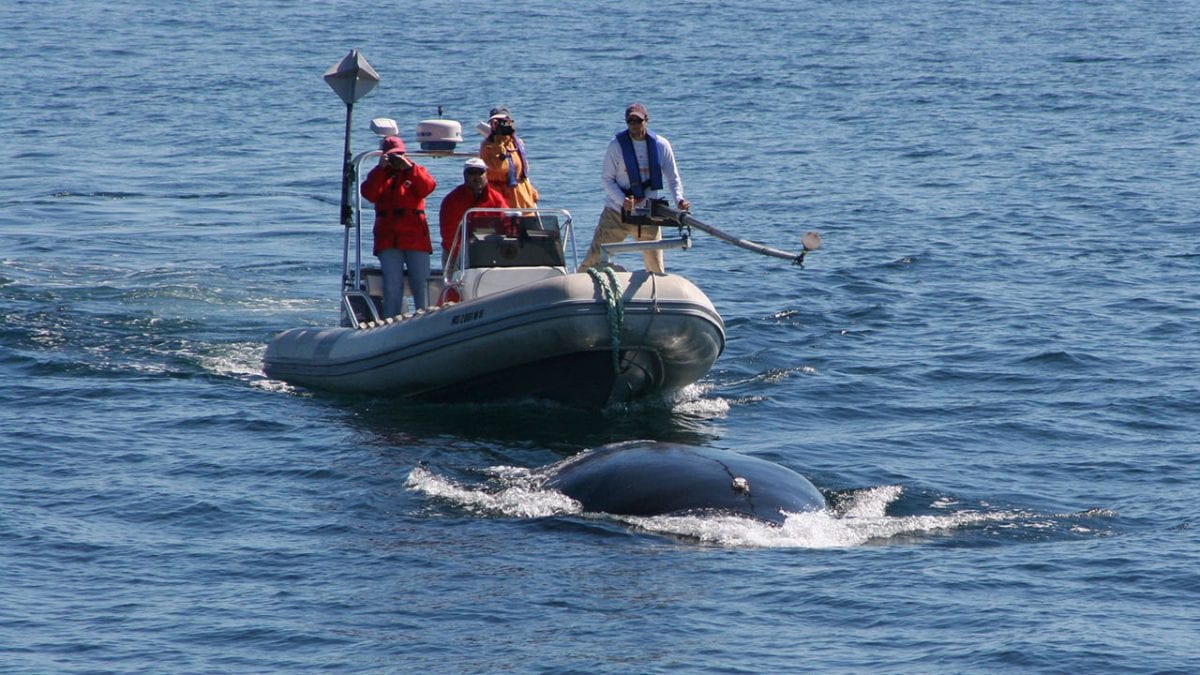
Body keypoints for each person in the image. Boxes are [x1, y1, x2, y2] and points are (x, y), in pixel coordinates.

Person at [578, 103, 690, 274]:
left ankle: (656, 294)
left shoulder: (661, 145)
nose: (635, 126)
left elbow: (673, 178)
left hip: (647, 215)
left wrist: (679, 200)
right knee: (593, 258)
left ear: (646, 121)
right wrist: (623, 201)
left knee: (656, 267)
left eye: (638, 121)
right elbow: (607, 180)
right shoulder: (616, 146)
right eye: (630, 122)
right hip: (617, 213)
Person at [360, 135, 437, 316]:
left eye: (399, 154)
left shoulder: (416, 171)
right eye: (392, 155)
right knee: (392, 285)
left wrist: (410, 168)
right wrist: (380, 169)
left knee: (421, 283)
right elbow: (369, 194)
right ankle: (390, 319)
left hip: (415, 237)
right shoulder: (379, 175)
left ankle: (425, 318)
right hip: (388, 238)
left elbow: (428, 187)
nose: (396, 159)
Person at [438, 157, 510, 269]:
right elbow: (450, 234)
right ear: (465, 176)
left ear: (486, 174)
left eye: (480, 172)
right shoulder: (452, 200)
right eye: (471, 173)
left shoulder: (496, 199)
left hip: (491, 251)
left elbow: (507, 225)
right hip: (458, 253)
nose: (476, 177)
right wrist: (467, 255)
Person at [479, 106, 539, 208]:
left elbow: (522, 171)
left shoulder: (517, 143)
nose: (501, 125)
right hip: (500, 198)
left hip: (522, 196)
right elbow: (498, 167)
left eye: (504, 121)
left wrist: (531, 191)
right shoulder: (487, 146)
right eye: (496, 123)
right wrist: (498, 144)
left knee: (527, 221)